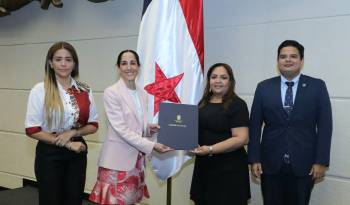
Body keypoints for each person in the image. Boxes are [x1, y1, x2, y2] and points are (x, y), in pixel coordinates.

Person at [248, 40, 333, 205]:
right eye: (283, 56)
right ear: (278, 60)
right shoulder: (264, 87)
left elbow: (325, 127)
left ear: (301, 60)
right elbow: (254, 126)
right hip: (270, 163)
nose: (288, 60)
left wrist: (321, 161)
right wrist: (254, 158)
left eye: (293, 56)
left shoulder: (317, 86)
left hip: (305, 164)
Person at [89, 49, 172, 205]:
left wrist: (148, 128)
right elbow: (121, 129)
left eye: (133, 63)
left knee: (131, 202)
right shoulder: (111, 92)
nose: (129, 67)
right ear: (118, 67)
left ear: (138, 66)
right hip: (117, 163)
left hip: (136, 161)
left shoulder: (142, 93)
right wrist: (152, 145)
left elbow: (135, 124)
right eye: (124, 63)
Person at [25, 41, 99, 205]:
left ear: (74, 63)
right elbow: (32, 129)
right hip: (49, 153)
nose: (63, 64)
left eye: (68, 59)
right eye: (58, 59)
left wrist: (73, 133)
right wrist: (67, 144)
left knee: (73, 200)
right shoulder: (40, 89)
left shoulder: (84, 89)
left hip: (77, 152)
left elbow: (93, 125)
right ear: (50, 63)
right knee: (51, 200)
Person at [190, 63, 251, 205]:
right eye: (214, 77)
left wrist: (210, 149)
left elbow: (242, 138)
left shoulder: (238, 104)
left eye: (223, 77)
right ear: (209, 80)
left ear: (230, 82)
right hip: (204, 167)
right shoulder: (202, 103)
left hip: (230, 169)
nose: (218, 81)